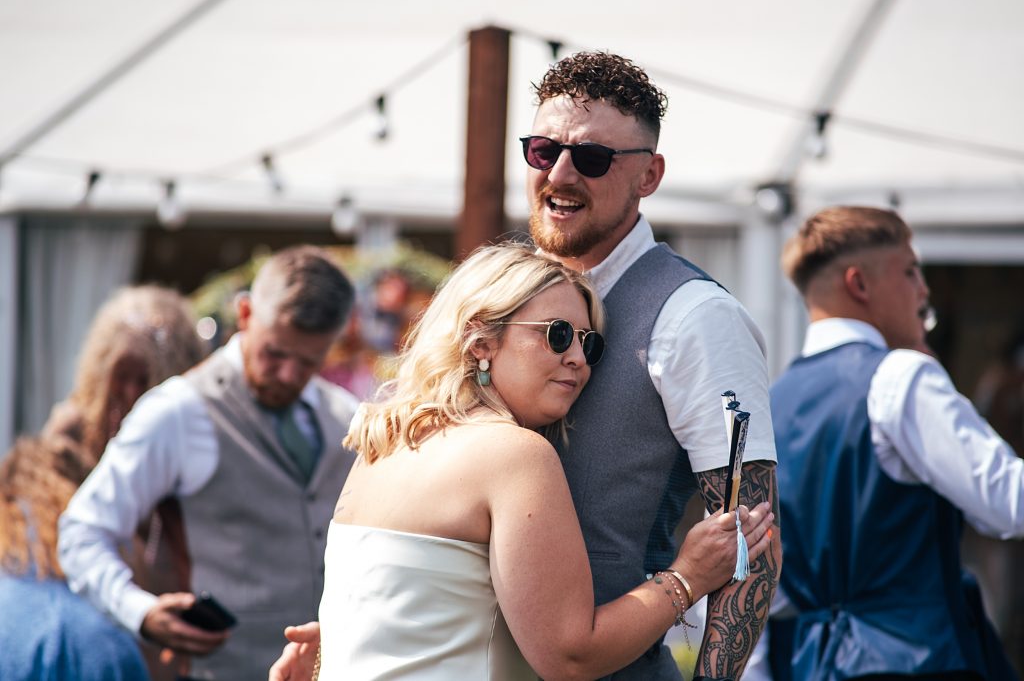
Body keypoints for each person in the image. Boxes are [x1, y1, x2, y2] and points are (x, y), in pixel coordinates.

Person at [271, 51, 782, 681]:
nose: (561, 174)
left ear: (649, 176)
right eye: (543, 151)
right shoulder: (505, 297)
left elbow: (750, 546)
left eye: (591, 159)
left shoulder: (695, 316)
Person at [322, 243, 774, 679]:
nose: (578, 359)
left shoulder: (380, 445)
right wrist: (688, 576)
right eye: (557, 335)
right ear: (480, 340)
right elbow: (570, 657)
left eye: (590, 344)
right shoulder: (514, 454)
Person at [59, 246, 361, 680]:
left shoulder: (344, 416)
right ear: (244, 314)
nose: (290, 374)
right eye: (275, 353)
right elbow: (81, 531)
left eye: (309, 361)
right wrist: (139, 611)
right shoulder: (179, 412)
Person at [758, 206, 1023, 680]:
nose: (923, 290)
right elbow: (1008, 501)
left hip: (806, 664)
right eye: (910, 270)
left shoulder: (770, 402)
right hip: (913, 657)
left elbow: (758, 585)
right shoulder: (900, 375)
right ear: (859, 284)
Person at [0, 284, 205, 681]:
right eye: (121, 378)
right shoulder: (68, 439)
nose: (129, 394)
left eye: (144, 381)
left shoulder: (184, 442)